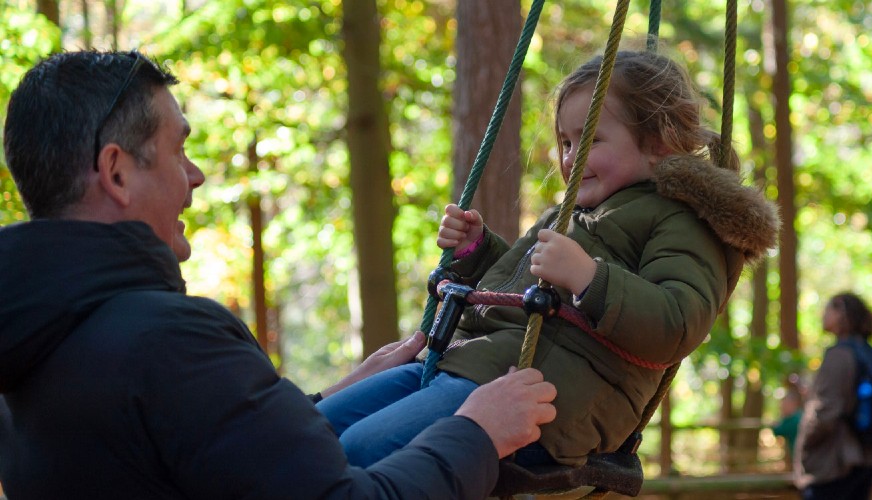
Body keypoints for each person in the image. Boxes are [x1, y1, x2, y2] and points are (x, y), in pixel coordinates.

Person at [0, 49, 557, 499]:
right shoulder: (170, 342)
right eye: (179, 149)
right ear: (117, 172)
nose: (195, 176)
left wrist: (325, 401)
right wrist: (477, 432)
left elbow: (191, 458)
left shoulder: (33, 342)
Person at [317, 49, 779, 468]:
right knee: (315, 429)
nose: (572, 157)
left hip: (545, 398)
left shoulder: (683, 219)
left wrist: (589, 278)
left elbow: (679, 322)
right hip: (468, 362)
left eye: (591, 140)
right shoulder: (572, 213)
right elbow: (521, 287)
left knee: (366, 449)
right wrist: (477, 251)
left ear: (659, 141)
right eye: (565, 143)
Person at [793, 292, 872, 499]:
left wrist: (805, 445)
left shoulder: (839, 355)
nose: (823, 314)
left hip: (836, 461)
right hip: (867, 458)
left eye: (828, 308)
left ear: (842, 312)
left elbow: (826, 411)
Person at [771, 386, 804, 468]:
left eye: (784, 404)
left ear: (792, 404)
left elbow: (778, 430)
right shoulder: (799, 416)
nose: (781, 407)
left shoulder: (794, 419)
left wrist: (777, 422)